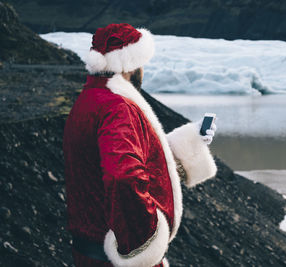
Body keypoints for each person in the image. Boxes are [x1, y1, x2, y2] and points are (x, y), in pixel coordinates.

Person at [63, 23, 217, 267]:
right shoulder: (118, 108)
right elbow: (122, 176)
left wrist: (189, 140)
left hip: (90, 250)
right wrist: (143, 243)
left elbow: (110, 160)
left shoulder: (91, 99)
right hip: (119, 258)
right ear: (130, 64)